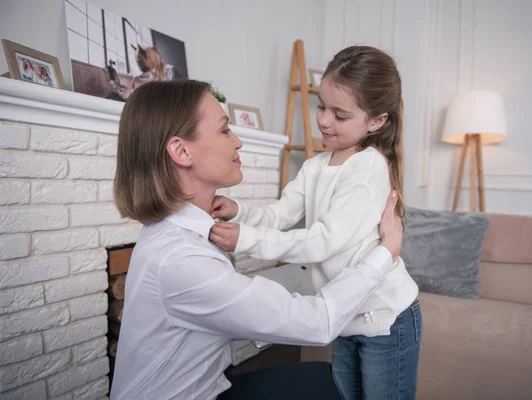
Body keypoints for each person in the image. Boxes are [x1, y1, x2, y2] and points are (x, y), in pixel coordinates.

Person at [109, 79, 405, 400]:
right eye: (225, 130)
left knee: (321, 378)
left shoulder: (182, 229)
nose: (237, 142)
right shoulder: (182, 259)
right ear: (181, 150)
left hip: (208, 386)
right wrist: (386, 251)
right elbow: (318, 323)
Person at [210, 46, 421, 400]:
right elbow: (280, 215)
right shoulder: (315, 166)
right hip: (344, 313)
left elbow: (323, 241)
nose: (323, 120)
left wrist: (245, 239)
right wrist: (239, 211)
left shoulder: (368, 168)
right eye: (322, 106)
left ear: (377, 121)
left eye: (340, 115)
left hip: (386, 318)